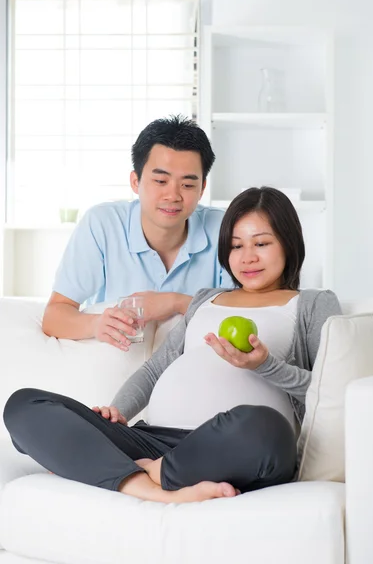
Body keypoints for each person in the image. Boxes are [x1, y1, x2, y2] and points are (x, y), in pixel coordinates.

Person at [4, 186, 342, 504]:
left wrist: (264, 366)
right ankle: (154, 486)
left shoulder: (312, 303)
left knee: (267, 430)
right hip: (152, 441)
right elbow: (154, 370)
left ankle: (130, 469)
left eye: (261, 244)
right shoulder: (206, 299)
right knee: (24, 405)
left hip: (229, 446)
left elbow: (330, 391)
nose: (247, 257)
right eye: (237, 246)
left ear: (288, 243)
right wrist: (117, 413)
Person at [42, 115, 233, 350]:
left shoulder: (224, 228)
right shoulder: (102, 224)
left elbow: (245, 310)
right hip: (114, 364)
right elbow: (54, 316)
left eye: (187, 184)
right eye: (161, 181)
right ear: (135, 181)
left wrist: (174, 302)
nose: (172, 195)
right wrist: (96, 324)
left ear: (202, 188)